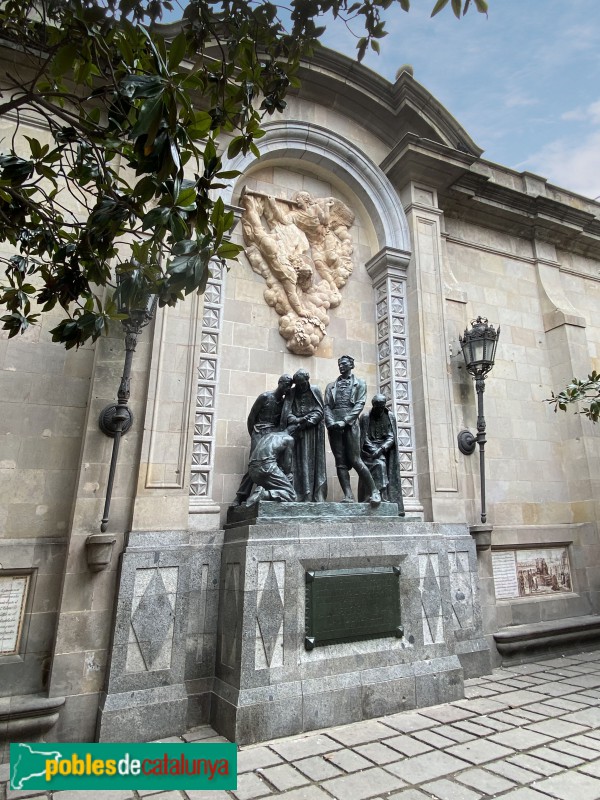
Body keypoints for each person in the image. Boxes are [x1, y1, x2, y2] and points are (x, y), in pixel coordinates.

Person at [324, 355, 380, 506]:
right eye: (339, 364)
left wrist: (345, 421)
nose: (341, 366)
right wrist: (330, 422)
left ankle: (374, 491)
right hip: (334, 427)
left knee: (355, 460)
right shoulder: (331, 386)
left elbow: (359, 404)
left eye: (344, 364)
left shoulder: (360, 383)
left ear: (351, 365)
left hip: (350, 425)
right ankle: (348, 495)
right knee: (340, 463)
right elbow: (327, 406)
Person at [233, 374, 293, 506]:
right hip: (259, 432)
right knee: (254, 463)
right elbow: (251, 418)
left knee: (271, 464)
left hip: (272, 434)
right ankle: (240, 496)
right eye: (286, 384)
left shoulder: (284, 403)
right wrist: (254, 434)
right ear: (279, 383)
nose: (287, 388)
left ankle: (265, 493)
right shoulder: (265, 397)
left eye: (289, 386)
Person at [281, 369, 327, 502]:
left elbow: (319, 410)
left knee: (310, 462)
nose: (301, 387)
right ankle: (296, 494)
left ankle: (311, 494)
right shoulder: (292, 393)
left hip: (311, 432)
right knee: (296, 462)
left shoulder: (315, 390)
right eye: (298, 384)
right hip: (295, 432)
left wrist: (309, 421)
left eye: (303, 384)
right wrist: (295, 420)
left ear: (307, 381)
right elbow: (287, 412)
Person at [358, 394, 405, 515]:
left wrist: (382, 448)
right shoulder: (365, 417)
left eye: (382, 407)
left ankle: (382, 496)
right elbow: (363, 437)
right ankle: (373, 495)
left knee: (381, 464)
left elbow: (391, 436)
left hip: (384, 451)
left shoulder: (390, 416)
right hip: (368, 452)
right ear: (373, 406)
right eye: (377, 407)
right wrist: (373, 450)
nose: (379, 409)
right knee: (379, 464)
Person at [246, 429, 297, 504]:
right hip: (267, 468)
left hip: (252, 471)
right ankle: (263, 494)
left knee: (274, 487)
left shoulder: (268, 435)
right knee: (291, 495)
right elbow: (287, 464)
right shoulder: (289, 439)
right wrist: (288, 473)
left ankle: (263, 493)